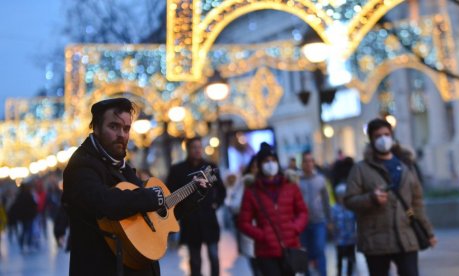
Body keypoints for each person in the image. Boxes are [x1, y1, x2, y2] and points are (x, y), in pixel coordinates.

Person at [62, 97, 211, 276]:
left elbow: (156, 215)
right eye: (113, 126)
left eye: (126, 128)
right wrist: (148, 197)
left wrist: (194, 194)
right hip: (103, 268)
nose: (122, 135)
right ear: (96, 128)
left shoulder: (122, 167)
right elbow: (102, 201)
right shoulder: (82, 165)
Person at [344, 118, 437, 276]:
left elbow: (417, 203)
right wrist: (371, 198)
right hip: (375, 241)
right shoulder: (360, 169)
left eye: (386, 134)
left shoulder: (406, 165)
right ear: (371, 140)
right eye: (378, 136)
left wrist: (429, 232)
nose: (383, 139)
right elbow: (349, 200)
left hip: (405, 238)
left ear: (392, 136)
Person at [238, 142, 308, 276]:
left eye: (273, 160)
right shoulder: (252, 191)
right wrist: (262, 235)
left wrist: (294, 228)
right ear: (259, 165)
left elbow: (303, 212)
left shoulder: (290, 186)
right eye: (266, 161)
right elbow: (243, 222)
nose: (270, 164)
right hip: (266, 252)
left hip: (290, 247)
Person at [166, 137, 226, 276]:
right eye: (194, 147)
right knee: (195, 260)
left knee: (213, 256)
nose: (198, 150)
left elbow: (221, 190)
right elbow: (170, 193)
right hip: (190, 219)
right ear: (188, 149)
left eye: (200, 147)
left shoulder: (210, 167)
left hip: (208, 217)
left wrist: (216, 203)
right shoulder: (177, 170)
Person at [298, 151, 330, 276]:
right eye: (306, 161)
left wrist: (329, 219)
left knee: (320, 249)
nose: (308, 164)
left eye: (311, 160)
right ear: (302, 163)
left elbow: (326, 200)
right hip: (303, 223)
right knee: (305, 252)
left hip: (319, 221)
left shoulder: (321, 179)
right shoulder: (298, 181)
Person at [331, 184, 356, 276]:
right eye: (340, 196)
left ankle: (350, 273)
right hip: (339, 239)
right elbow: (331, 222)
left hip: (351, 239)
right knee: (339, 259)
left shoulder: (352, 208)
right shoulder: (334, 208)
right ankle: (339, 273)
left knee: (351, 259)